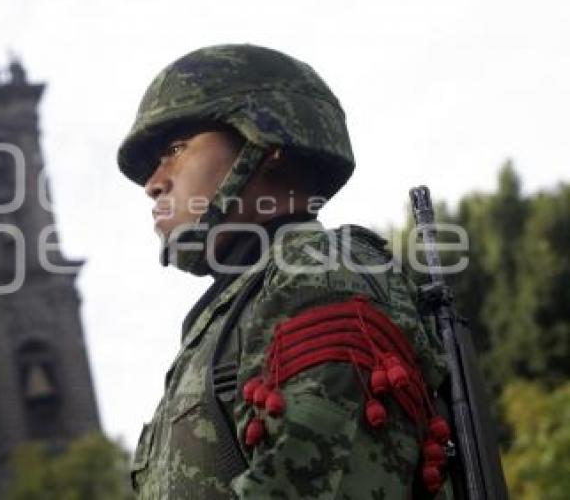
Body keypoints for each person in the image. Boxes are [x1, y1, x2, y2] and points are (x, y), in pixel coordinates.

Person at [117, 44, 452, 499]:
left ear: (264, 142)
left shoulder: (321, 276)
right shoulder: (231, 311)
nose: (153, 183)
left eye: (176, 149)